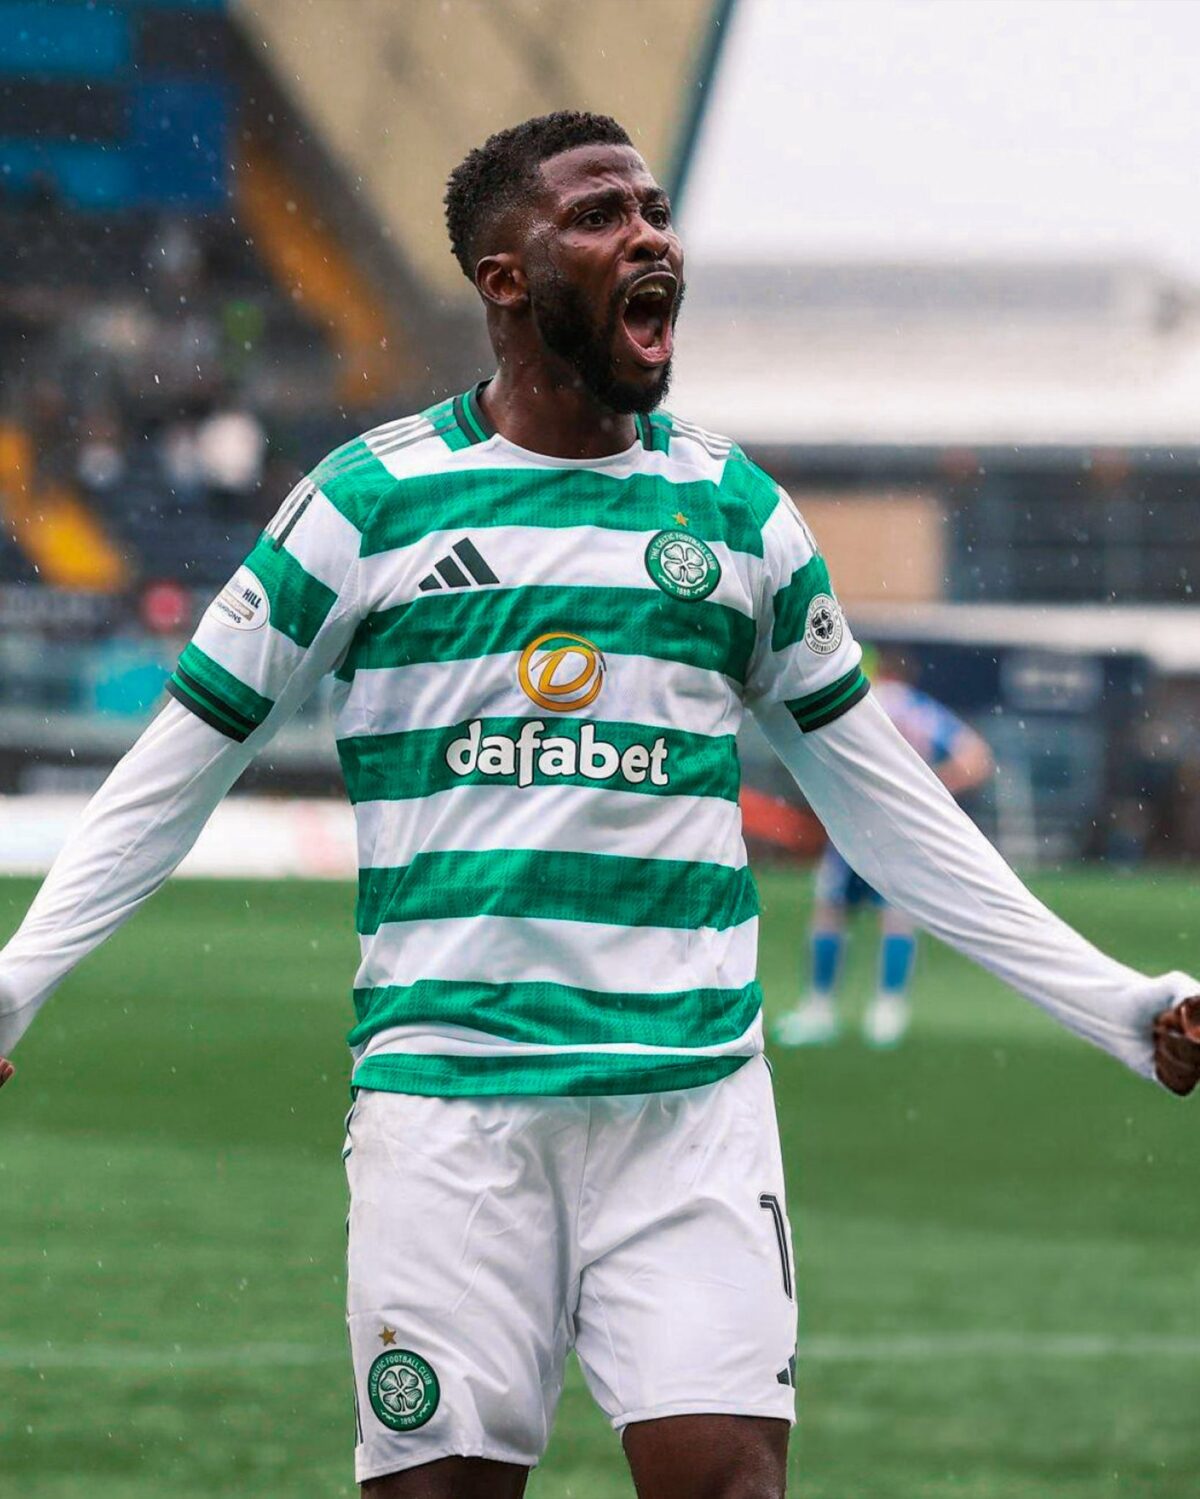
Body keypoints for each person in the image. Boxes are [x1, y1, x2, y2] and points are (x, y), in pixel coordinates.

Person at [1, 112, 1198, 1499]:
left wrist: (1121, 1002)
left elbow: (891, 808)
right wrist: (15, 982)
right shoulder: (366, 505)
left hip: (688, 1110)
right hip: (449, 1112)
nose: (646, 237)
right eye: (598, 215)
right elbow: (177, 766)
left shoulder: (735, 514)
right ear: (505, 278)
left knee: (729, 1486)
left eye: (655, 210)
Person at [775, 646, 994, 1049]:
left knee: (831, 912)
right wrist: (928, 790)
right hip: (903, 828)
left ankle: (820, 1008)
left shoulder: (867, 702)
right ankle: (887, 1011)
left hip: (855, 821)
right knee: (896, 915)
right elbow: (976, 758)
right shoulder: (921, 709)